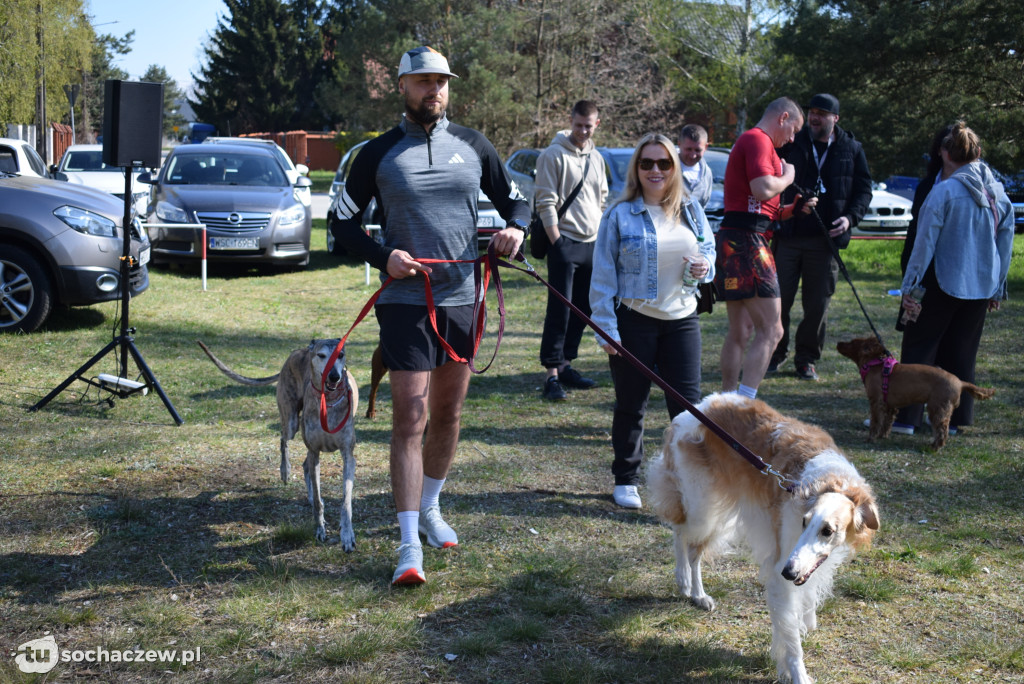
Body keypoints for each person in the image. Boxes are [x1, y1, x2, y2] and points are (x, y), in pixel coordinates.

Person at [331, 46, 531, 585]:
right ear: (402, 86)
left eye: (441, 82)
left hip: (464, 299)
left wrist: (516, 229)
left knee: (448, 414)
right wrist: (384, 257)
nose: (434, 91)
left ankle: (432, 506)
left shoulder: (474, 145)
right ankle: (406, 545)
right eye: (423, 82)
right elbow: (341, 225)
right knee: (409, 420)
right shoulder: (377, 154)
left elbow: (518, 202)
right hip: (405, 305)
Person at [590, 133, 716, 509]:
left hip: (682, 320)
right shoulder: (619, 214)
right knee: (632, 403)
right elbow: (602, 277)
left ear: (674, 168)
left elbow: (707, 252)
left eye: (663, 163)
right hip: (634, 321)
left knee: (688, 408)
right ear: (637, 169)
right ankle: (626, 478)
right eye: (647, 163)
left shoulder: (691, 209)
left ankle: (688, 479)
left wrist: (704, 267)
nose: (655, 170)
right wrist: (606, 329)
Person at [896, 121, 1013, 435]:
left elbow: (924, 245)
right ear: (977, 153)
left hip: (941, 279)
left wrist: (910, 287)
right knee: (962, 352)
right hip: (981, 283)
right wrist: (997, 287)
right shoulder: (999, 192)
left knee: (920, 348)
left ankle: (907, 419)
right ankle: (958, 420)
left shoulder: (943, 191)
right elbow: (1006, 244)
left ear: (945, 153)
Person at [769, 94, 873, 381]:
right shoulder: (793, 142)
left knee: (817, 305)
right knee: (779, 300)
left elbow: (864, 191)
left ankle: (806, 359)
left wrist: (851, 218)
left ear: (835, 118)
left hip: (825, 243)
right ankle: (775, 353)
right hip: (788, 236)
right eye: (811, 112)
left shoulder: (851, 149)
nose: (814, 117)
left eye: (822, 113)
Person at [715, 97, 804, 399]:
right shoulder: (757, 139)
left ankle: (726, 404)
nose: (792, 138)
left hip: (738, 237)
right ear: (783, 117)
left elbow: (763, 209)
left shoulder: (757, 143)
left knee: (741, 332)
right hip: (748, 242)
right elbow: (763, 189)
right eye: (794, 129)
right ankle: (742, 404)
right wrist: (788, 175)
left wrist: (795, 208)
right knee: (773, 330)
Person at [535, 100, 609, 401]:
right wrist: (558, 243)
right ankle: (551, 374)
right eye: (578, 124)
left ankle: (566, 363)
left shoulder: (597, 157)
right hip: (563, 241)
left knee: (583, 308)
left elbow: (602, 198)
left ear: (596, 125)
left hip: (591, 243)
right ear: (571, 120)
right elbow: (545, 201)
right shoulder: (552, 154)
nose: (582, 130)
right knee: (560, 309)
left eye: (588, 126)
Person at [678, 124, 712, 208]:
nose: (693, 155)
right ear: (679, 144)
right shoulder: (666, 169)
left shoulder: (706, 173)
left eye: (697, 150)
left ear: (706, 147)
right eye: (688, 149)